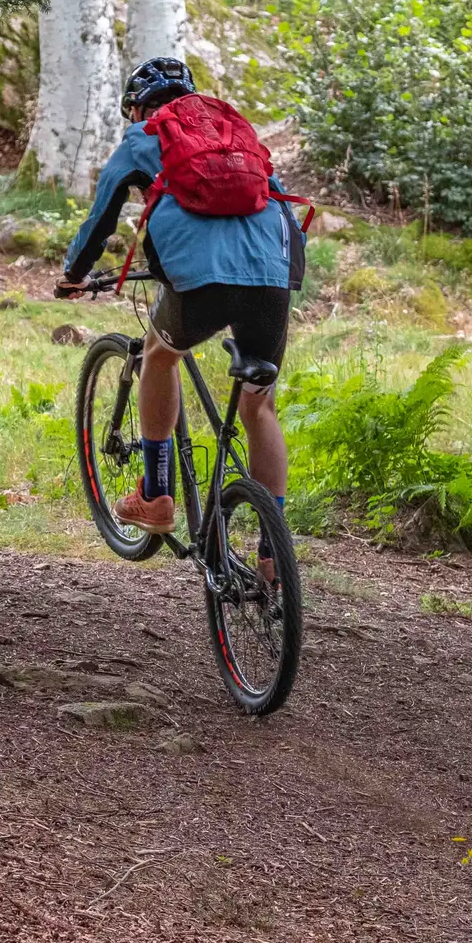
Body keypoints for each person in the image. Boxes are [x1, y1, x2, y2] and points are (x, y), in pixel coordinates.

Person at [56, 57, 298, 569]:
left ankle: (156, 494)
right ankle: (273, 558)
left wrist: (75, 273)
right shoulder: (231, 132)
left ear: (137, 107)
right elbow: (278, 203)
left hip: (201, 281)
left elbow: (102, 215)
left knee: (159, 354)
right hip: (272, 278)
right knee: (260, 408)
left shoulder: (144, 135)